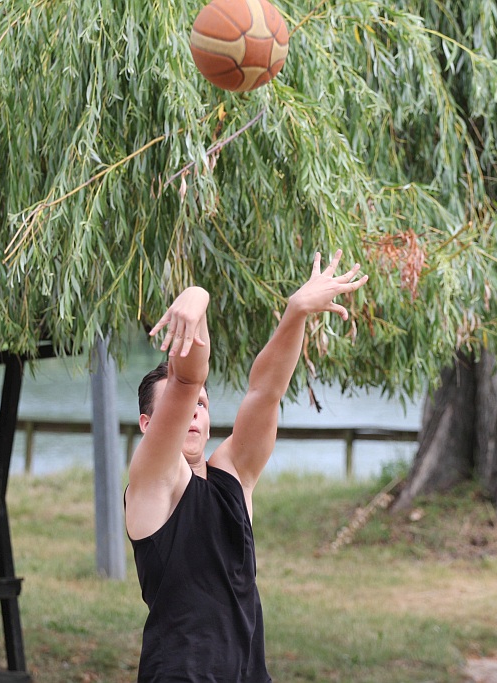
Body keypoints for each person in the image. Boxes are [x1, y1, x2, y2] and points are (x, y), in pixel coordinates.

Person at [124, 249, 367, 682]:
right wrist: (197, 294)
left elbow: (265, 390)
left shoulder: (231, 478)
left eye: (202, 405)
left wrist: (295, 314)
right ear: (148, 424)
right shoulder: (151, 485)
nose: (194, 412)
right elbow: (185, 378)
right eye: (180, 410)